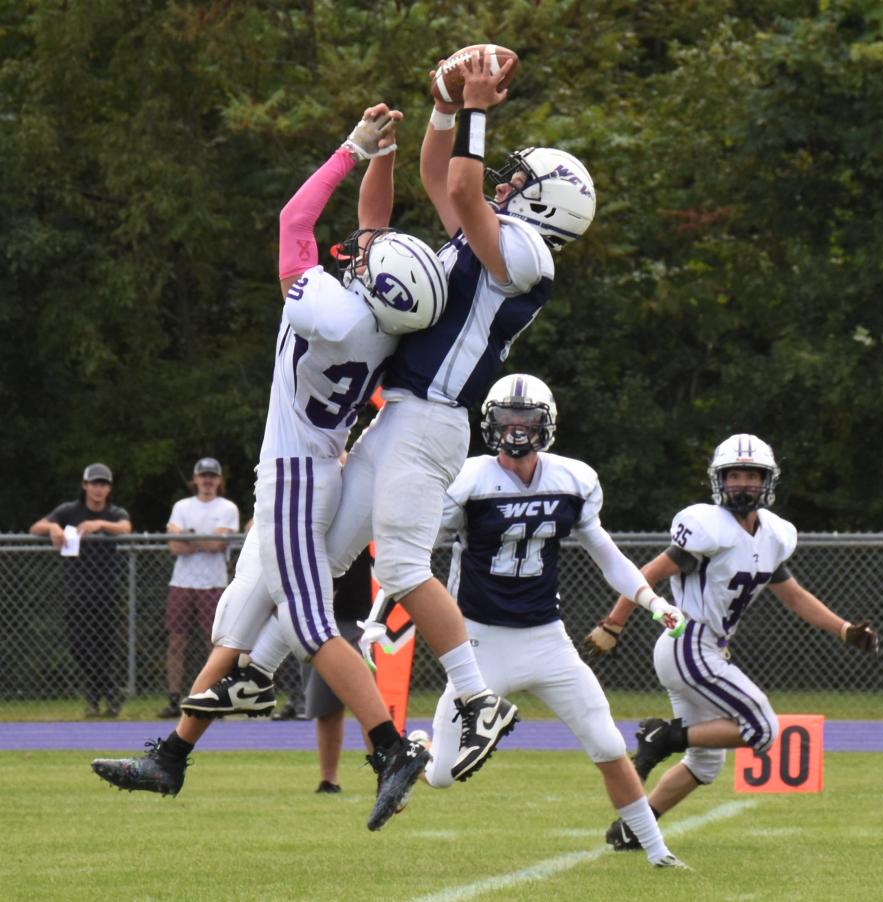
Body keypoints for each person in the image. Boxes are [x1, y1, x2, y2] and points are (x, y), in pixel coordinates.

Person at [180, 53, 598, 785]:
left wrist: (475, 108)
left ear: (547, 208)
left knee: (402, 567)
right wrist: (441, 108)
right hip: (401, 414)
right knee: (325, 558)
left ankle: (478, 698)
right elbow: (446, 176)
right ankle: (261, 670)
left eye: (522, 184)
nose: (507, 185)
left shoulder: (529, 254)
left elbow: (464, 185)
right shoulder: (494, 232)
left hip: (432, 418)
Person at [92, 102, 447, 832]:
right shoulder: (380, 326)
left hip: (293, 477)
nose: (359, 248)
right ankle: (172, 757)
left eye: (366, 256)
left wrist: (349, 148)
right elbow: (374, 232)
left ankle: (389, 748)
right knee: (240, 618)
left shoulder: (333, 311)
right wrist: (385, 155)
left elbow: (293, 222)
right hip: (315, 471)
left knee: (313, 625)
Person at [408, 373, 687, 868]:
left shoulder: (572, 479)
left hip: (546, 639)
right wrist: (378, 617)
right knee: (445, 775)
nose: (517, 428)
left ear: (546, 423)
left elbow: (606, 554)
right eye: (507, 419)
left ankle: (657, 851)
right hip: (477, 643)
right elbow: (412, 553)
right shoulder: (467, 480)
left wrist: (650, 601)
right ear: (490, 423)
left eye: (527, 418)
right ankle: (419, 751)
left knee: (606, 741)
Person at [585, 433, 880, 850]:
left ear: (767, 482)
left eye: (752, 476)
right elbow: (646, 574)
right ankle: (664, 736)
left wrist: (844, 629)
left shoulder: (773, 535)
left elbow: (794, 595)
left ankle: (635, 827)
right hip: (689, 640)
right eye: (734, 475)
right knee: (762, 727)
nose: (743, 484)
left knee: (705, 763)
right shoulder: (708, 527)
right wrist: (614, 624)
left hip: (704, 649)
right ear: (718, 480)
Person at [30, 463, 133, 717]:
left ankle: (98, 699)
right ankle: (110, 690)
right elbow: (36, 527)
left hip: (107, 590)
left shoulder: (113, 512)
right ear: (85, 485)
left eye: (104, 484)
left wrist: (99, 524)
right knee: (79, 645)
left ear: (109, 488)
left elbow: (125, 527)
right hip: (76, 590)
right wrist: (53, 528)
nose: (99, 489)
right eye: (94, 483)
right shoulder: (69, 510)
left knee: (105, 645)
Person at [158, 457, 240, 718]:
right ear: (194, 479)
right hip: (182, 582)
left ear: (218, 480)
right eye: (202, 476)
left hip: (213, 584)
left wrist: (190, 538)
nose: (207, 481)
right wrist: (205, 539)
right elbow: (174, 545)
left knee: (214, 642)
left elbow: (218, 544)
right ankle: (173, 698)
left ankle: (214, 697)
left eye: (212, 476)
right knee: (175, 642)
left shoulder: (227, 507)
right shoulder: (182, 506)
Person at [305, 545, 374, 793]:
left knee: (371, 704)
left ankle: (386, 772)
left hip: (368, 620)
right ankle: (328, 780)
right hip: (326, 620)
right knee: (326, 707)